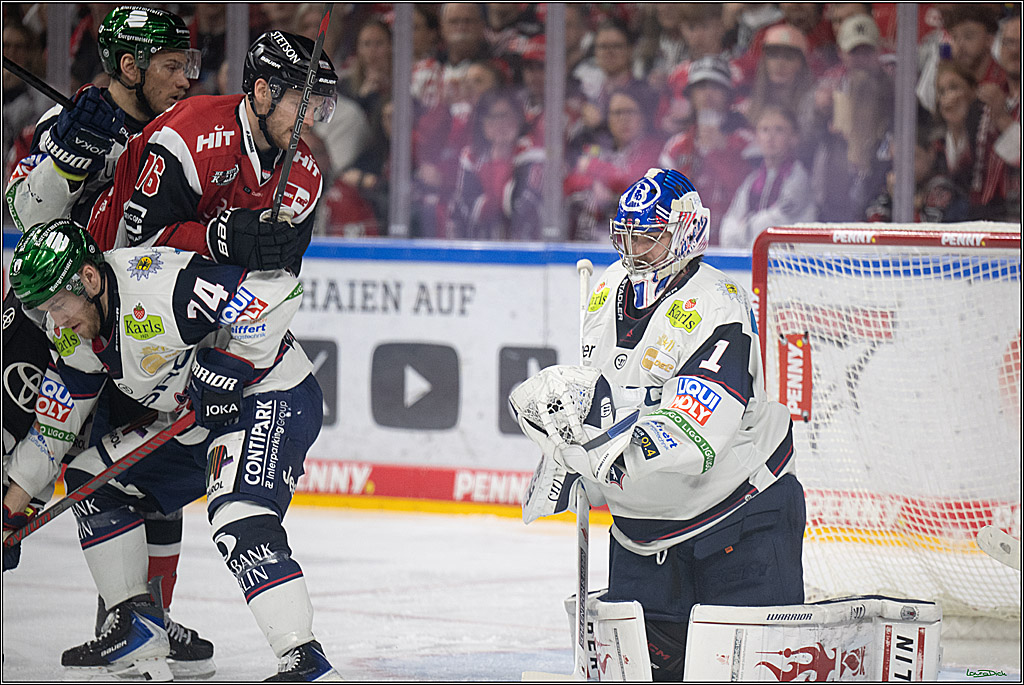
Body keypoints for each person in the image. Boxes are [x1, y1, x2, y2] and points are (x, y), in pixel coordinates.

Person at [5, 218, 341, 681]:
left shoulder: (160, 286)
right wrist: (10, 509)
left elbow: (277, 290)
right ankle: (138, 626)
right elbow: (55, 427)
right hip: (197, 421)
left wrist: (227, 364)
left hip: (270, 392)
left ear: (88, 278)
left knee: (236, 514)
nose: (56, 323)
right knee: (90, 482)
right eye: (45, 310)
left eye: (59, 305)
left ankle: (306, 661)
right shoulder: (73, 334)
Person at [512, 168, 803, 680]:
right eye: (625, 233)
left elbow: (697, 431)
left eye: (650, 235)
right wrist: (562, 443)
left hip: (737, 519)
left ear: (686, 233)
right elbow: (596, 399)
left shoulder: (720, 304)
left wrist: (605, 456)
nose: (633, 247)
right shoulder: (604, 290)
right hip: (640, 535)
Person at [2, 6, 215, 677]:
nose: (186, 77)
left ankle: (138, 621)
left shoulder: (184, 135)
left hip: (131, 327)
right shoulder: (73, 121)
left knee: (140, 475)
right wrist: (64, 161)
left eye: (191, 65)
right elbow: (22, 213)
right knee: (12, 467)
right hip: (50, 329)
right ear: (128, 66)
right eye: (172, 66)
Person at [719, 105, 816, 249]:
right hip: (749, 262)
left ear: (794, 138)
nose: (770, 137)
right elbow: (729, 224)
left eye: (779, 130)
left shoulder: (799, 178)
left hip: (788, 264)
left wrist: (745, 228)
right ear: (757, 137)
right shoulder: (751, 181)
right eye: (764, 130)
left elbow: (776, 223)